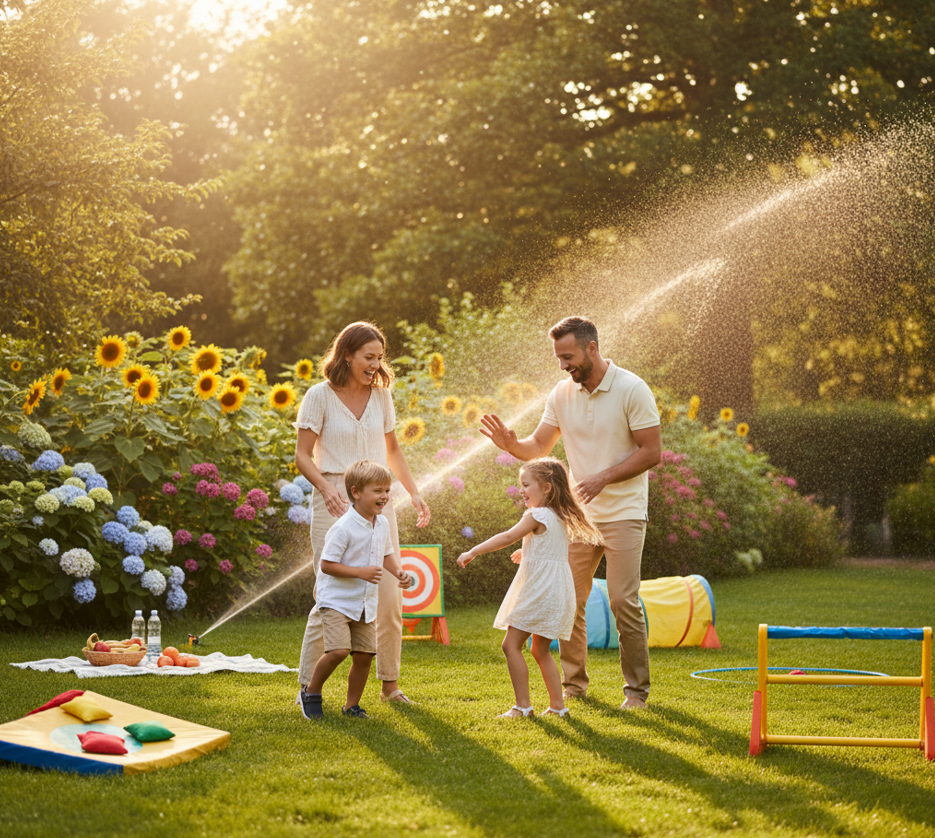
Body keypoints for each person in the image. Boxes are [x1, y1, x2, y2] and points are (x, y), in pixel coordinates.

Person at [479, 317, 661, 709]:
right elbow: (539, 445)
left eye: (569, 356)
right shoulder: (561, 394)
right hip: (579, 519)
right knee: (568, 600)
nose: (564, 365)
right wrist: (512, 444)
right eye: (559, 358)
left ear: (591, 348)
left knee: (622, 601)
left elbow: (651, 452)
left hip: (625, 512)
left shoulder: (632, 388)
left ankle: (636, 692)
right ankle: (574, 685)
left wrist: (601, 479)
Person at [294, 321, 430, 717]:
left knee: (388, 594)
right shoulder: (319, 396)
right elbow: (303, 454)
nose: (375, 365)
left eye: (379, 358)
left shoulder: (382, 397)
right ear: (347, 355)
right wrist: (326, 487)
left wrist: (414, 491)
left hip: (377, 500)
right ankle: (308, 687)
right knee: (329, 596)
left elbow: (393, 449)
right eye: (368, 357)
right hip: (333, 499)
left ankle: (390, 685)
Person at [457, 458, 602, 718]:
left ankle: (522, 706)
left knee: (510, 646)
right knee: (540, 649)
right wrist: (526, 552)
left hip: (539, 591)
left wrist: (474, 550)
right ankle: (558, 707)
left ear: (546, 488)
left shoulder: (536, 514)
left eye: (526, 485)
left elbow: (507, 536)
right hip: (556, 591)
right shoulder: (558, 516)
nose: (521, 490)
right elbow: (548, 549)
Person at [301, 460, 412, 719]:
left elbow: (386, 553)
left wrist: (398, 572)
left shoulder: (381, 523)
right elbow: (327, 565)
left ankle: (352, 706)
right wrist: (360, 572)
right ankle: (311, 691)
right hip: (337, 601)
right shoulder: (343, 527)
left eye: (387, 490)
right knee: (339, 650)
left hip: (364, 601)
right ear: (356, 492)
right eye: (378, 490)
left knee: (364, 654)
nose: (384, 496)